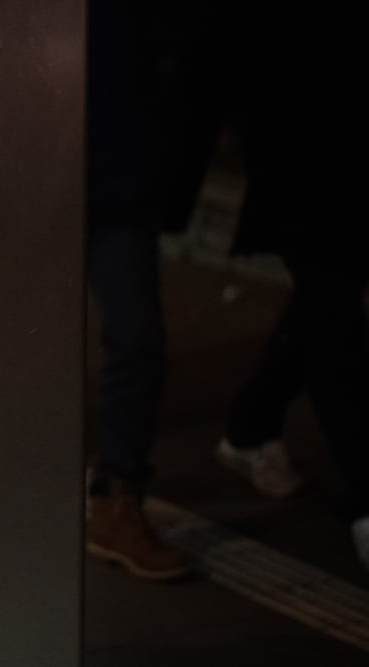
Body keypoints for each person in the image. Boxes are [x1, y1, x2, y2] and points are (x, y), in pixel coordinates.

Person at [213, 8, 369, 571]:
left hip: (328, 162)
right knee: (336, 319)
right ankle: (363, 500)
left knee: (326, 309)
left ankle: (249, 426)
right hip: (307, 161)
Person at [82, 1, 228, 581]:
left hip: (119, 176)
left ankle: (117, 499)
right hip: (26, 169)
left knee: (138, 340)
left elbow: (194, 60)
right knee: (9, 336)